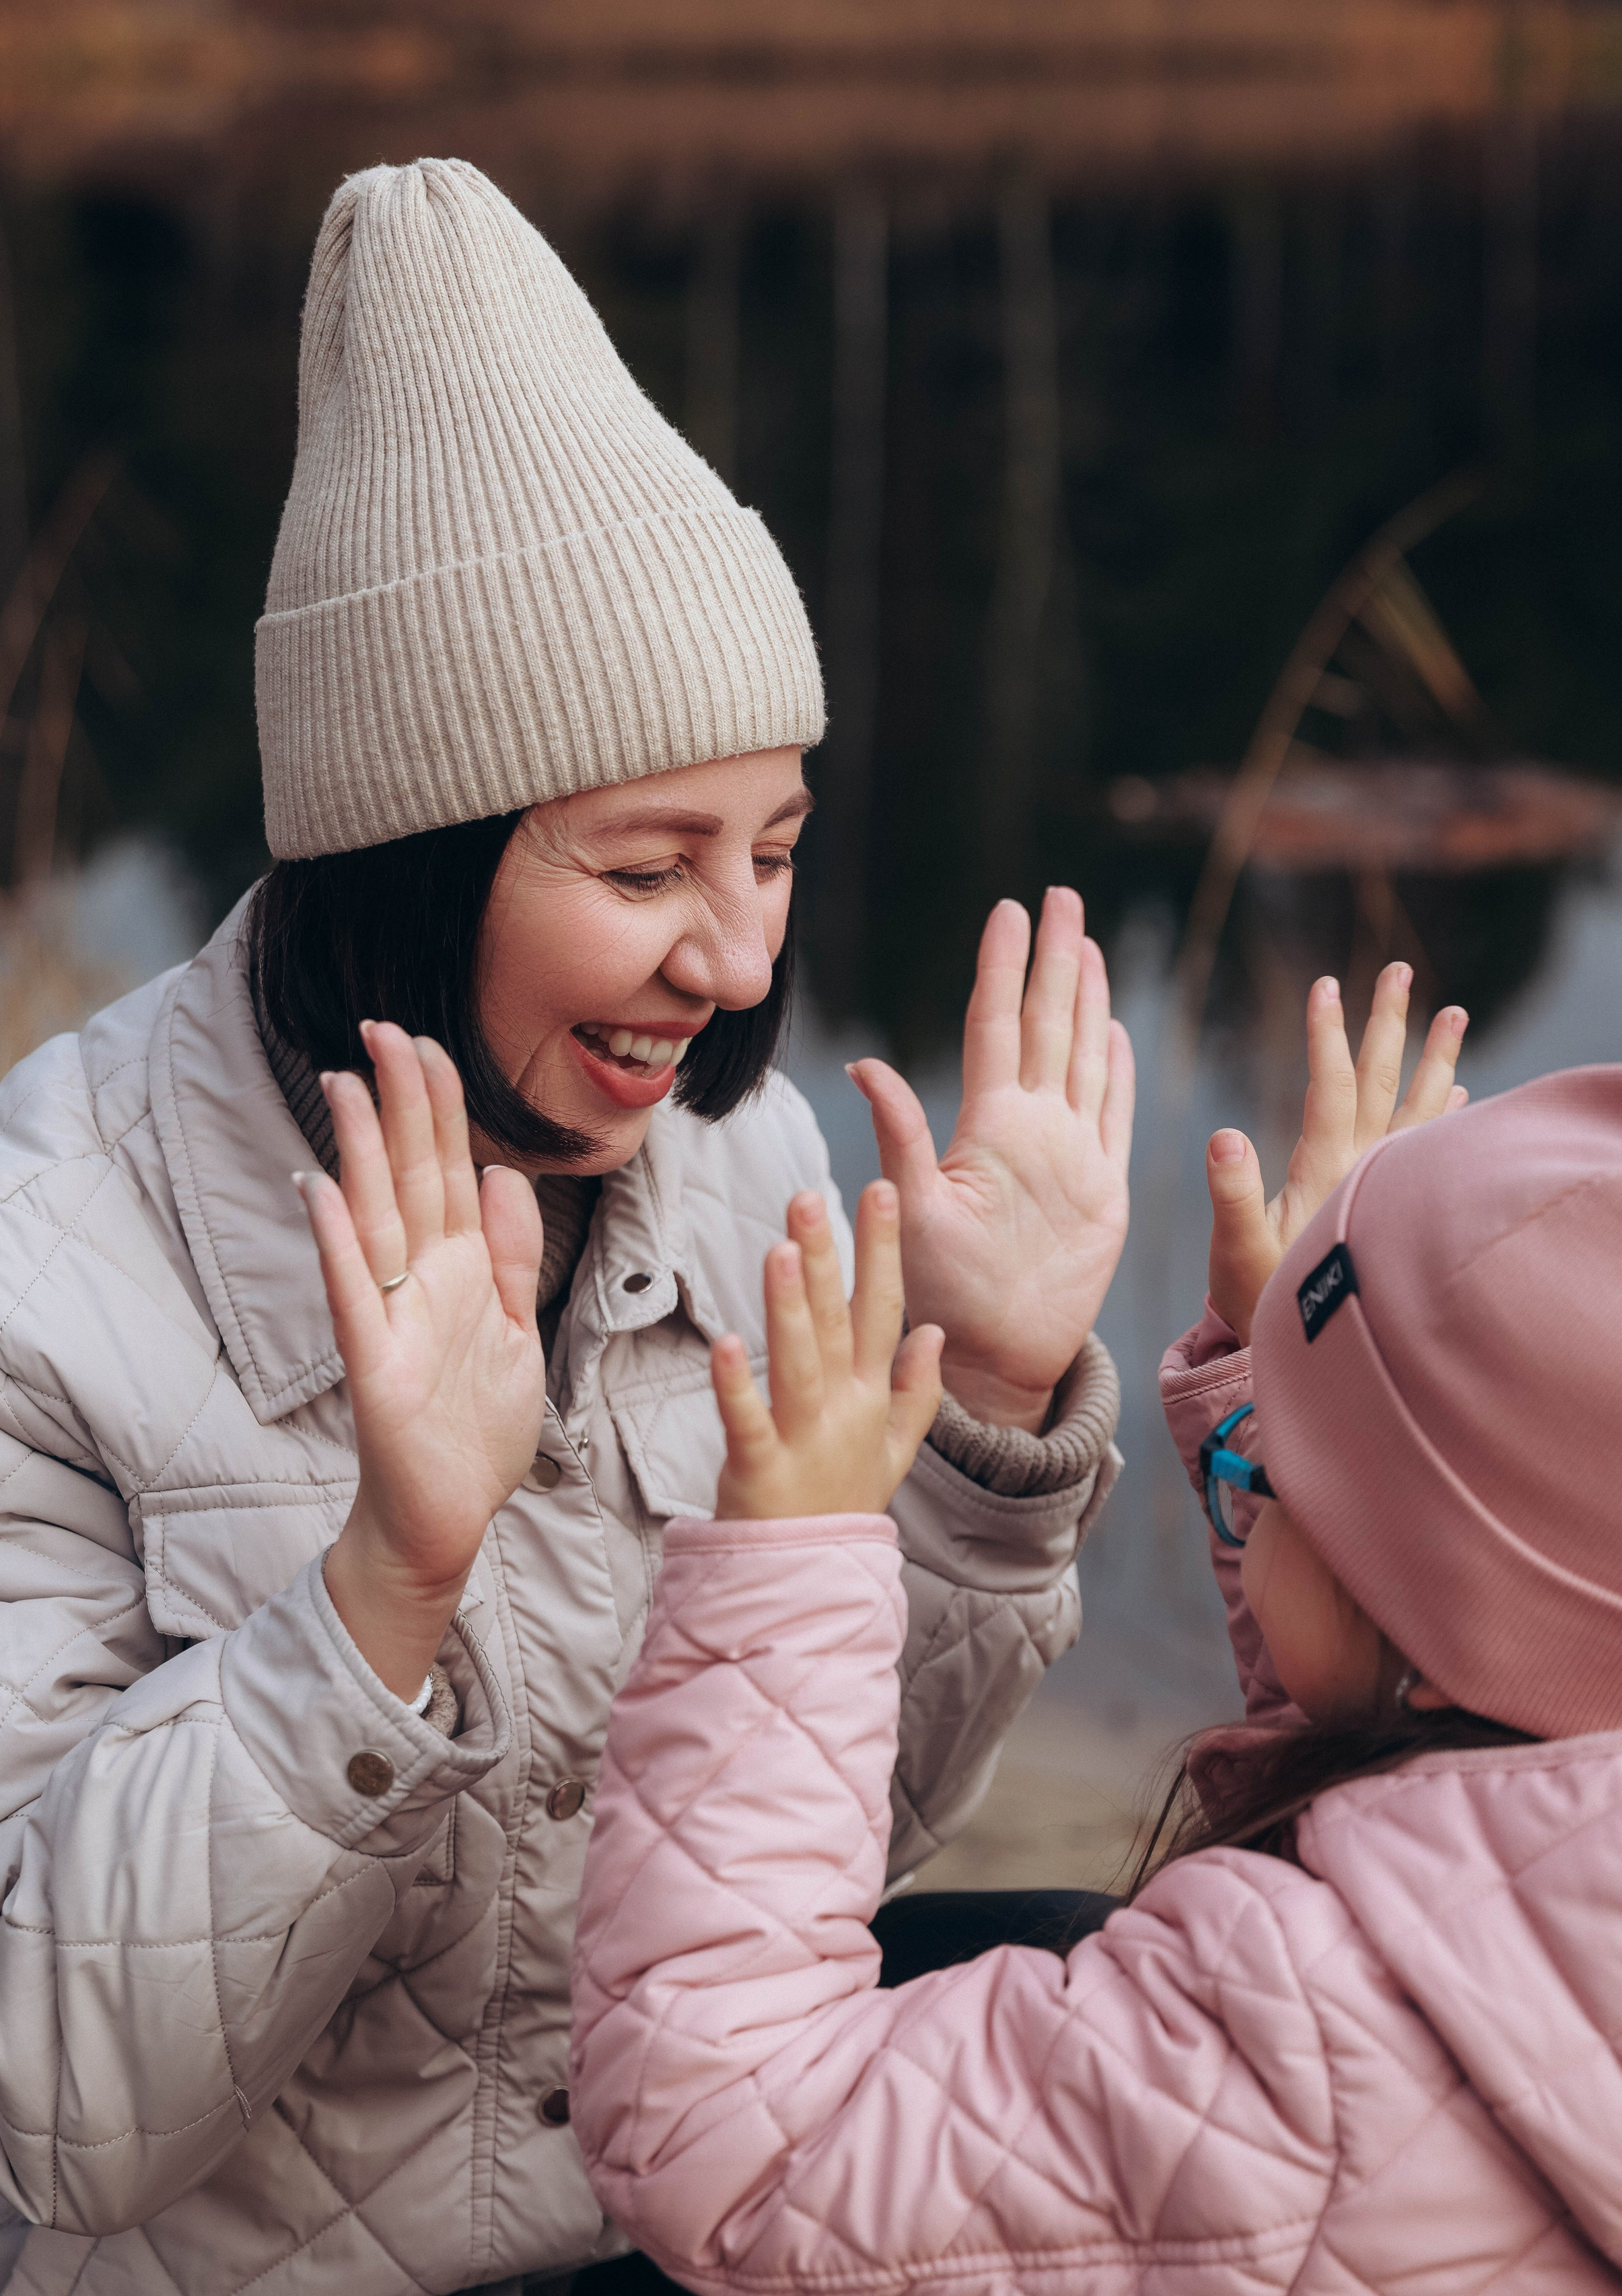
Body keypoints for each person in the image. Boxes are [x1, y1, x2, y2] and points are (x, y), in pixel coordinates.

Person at [0, 160, 1132, 2295]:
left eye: (778, 846)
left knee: (1127, 1986)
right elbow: (64, 2103)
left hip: (669, 2182)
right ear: (406, 857)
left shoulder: (740, 1158)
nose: (730, 955)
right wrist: (379, 1588)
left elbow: (822, 1845)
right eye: (644, 867)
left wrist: (984, 1434)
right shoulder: (47, 1269)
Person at [568, 992, 1622, 2293]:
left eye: (1265, 1477)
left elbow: (728, 2153)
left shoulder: (1303, 2036)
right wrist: (1299, 1384)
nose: (1240, 1481)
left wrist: (794, 1558)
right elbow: (1467, 1796)